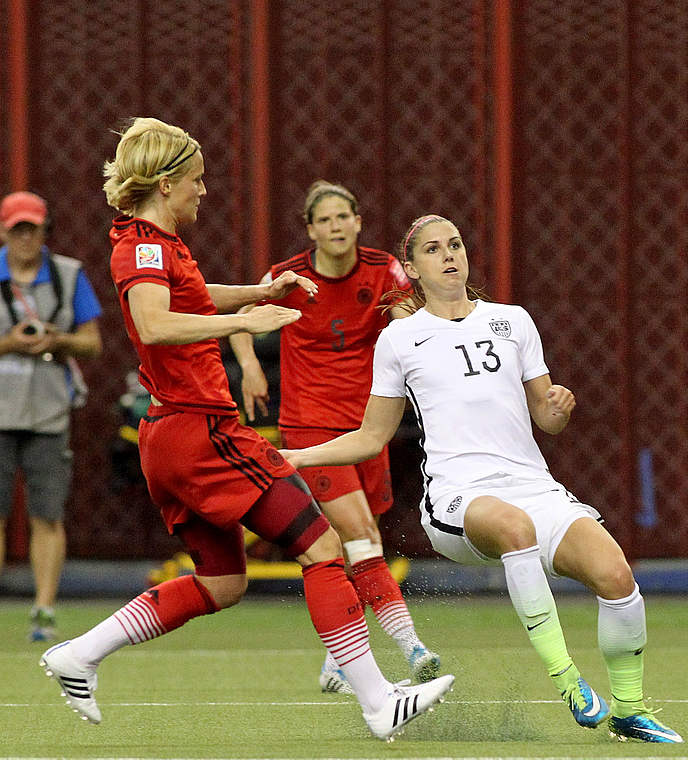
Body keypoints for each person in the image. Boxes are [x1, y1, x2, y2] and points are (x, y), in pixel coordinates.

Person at [36, 117, 452, 741]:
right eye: (197, 181)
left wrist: (257, 291)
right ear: (168, 181)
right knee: (322, 545)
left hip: (172, 435)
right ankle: (377, 699)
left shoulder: (153, 242)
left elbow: (191, 297)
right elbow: (153, 324)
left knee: (222, 582)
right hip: (202, 432)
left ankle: (81, 654)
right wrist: (246, 323)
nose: (204, 192)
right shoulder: (145, 246)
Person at [281, 214, 684, 743]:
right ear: (411, 269)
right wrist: (300, 457)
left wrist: (559, 406)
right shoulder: (400, 338)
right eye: (432, 249)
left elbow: (546, 417)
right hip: (457, 497)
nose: (448, 254)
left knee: (618, 579)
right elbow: (370, 438)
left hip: (532, 485)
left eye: (455, 244)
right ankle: (567, 680)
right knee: (515, 527)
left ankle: (629, 711)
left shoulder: (513, 321)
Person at [227, 180, 439, 693]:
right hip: (311, 431)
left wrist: (408, 324)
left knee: (361, 543)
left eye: (343, 216)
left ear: (358, 221)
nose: (335, 226)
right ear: (310, 230)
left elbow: (409, 315)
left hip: (369, 429)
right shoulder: (290, 276)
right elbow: (240, 319)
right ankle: (412, 648)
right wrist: (251, 365)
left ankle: (337, 658)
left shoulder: (382, 267)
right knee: (363, 537)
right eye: (324, 220)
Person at [0, 191, 103, 642]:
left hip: (48, 410)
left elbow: (92, 343)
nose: (26, 238)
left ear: (45, 231)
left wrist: (55, 340)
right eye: (17, 229)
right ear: (4, 232)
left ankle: (43, 608)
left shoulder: (68, 274)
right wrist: (10, 343)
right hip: (0, 409)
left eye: (33, 229)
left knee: (47, 512)